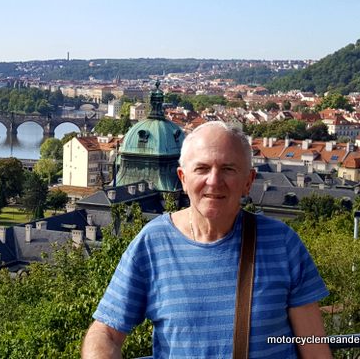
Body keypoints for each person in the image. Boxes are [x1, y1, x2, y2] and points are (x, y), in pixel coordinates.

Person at [82, 121, 332, 358]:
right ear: (182, 179)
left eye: (228, 169)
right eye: (202, 168)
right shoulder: (153, 243)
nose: (214, 181)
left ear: (248, 182)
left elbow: (314, 348)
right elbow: (105, 333)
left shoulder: (282, 243)